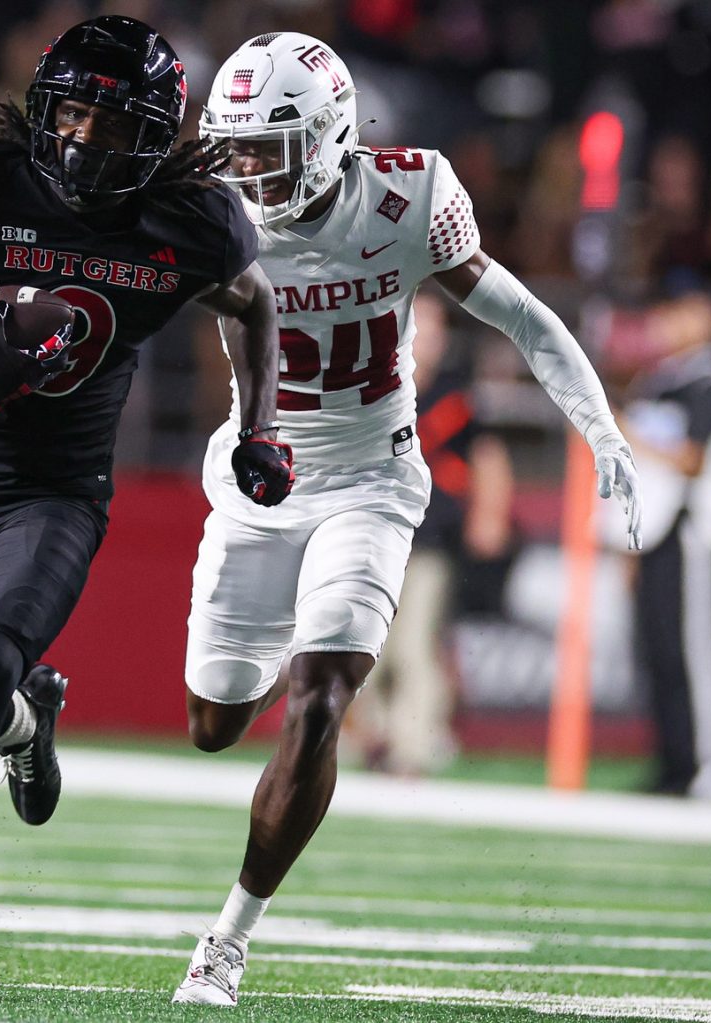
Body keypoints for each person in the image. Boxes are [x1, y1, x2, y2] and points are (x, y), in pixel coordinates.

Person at [0, 16, 294, 994]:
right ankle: (25, 728)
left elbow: (251, 302)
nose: (82, 141)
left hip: (59, 494)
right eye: (72, 114)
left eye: (113, 126)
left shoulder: (188, 216)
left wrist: (259, 425)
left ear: (157, 133)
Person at [173, 32, 643, 1007]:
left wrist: (600, 428)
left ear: (331, 135)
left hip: (372, 481)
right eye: (237, 147)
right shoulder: (209, 208)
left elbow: (519, 315)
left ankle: (226, 943)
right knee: (215, 721)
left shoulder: (410, 195)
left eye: (269, 146)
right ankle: (266, 663)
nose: (248, 170)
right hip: (262, 479)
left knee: (323, 695)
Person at [349, 292, 516, 777]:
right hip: (373, 539)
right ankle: (367, 736)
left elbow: (487, 456)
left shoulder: (454, 397)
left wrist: (491, 514)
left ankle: (413, 745)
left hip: (429, 541)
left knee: (415, 645)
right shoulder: (372, 387)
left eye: (434, 331)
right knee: (361, 645)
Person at [617, 289, 711, 801]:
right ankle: (674, 765)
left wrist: (626, 433)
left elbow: (691, 458)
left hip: (694, 530)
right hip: (653, 530)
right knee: (659, 655)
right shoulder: (660, 380)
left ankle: (708, 768)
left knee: (695, 655)